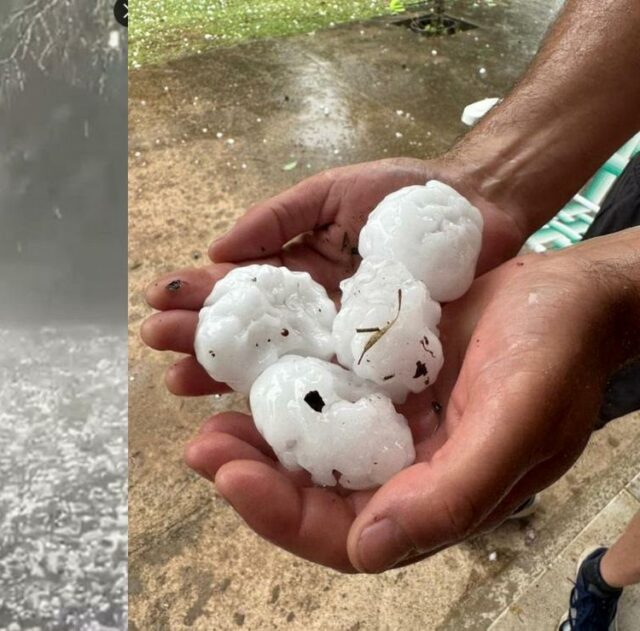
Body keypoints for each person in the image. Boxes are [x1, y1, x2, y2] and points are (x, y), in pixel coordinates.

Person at [139, 1, 640, 629]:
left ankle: (575, 534)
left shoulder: (377, 314)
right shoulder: (337, 323)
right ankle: (566, 516)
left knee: (575, 378)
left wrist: (605, 286)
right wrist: (489, 183)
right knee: (580, 381)